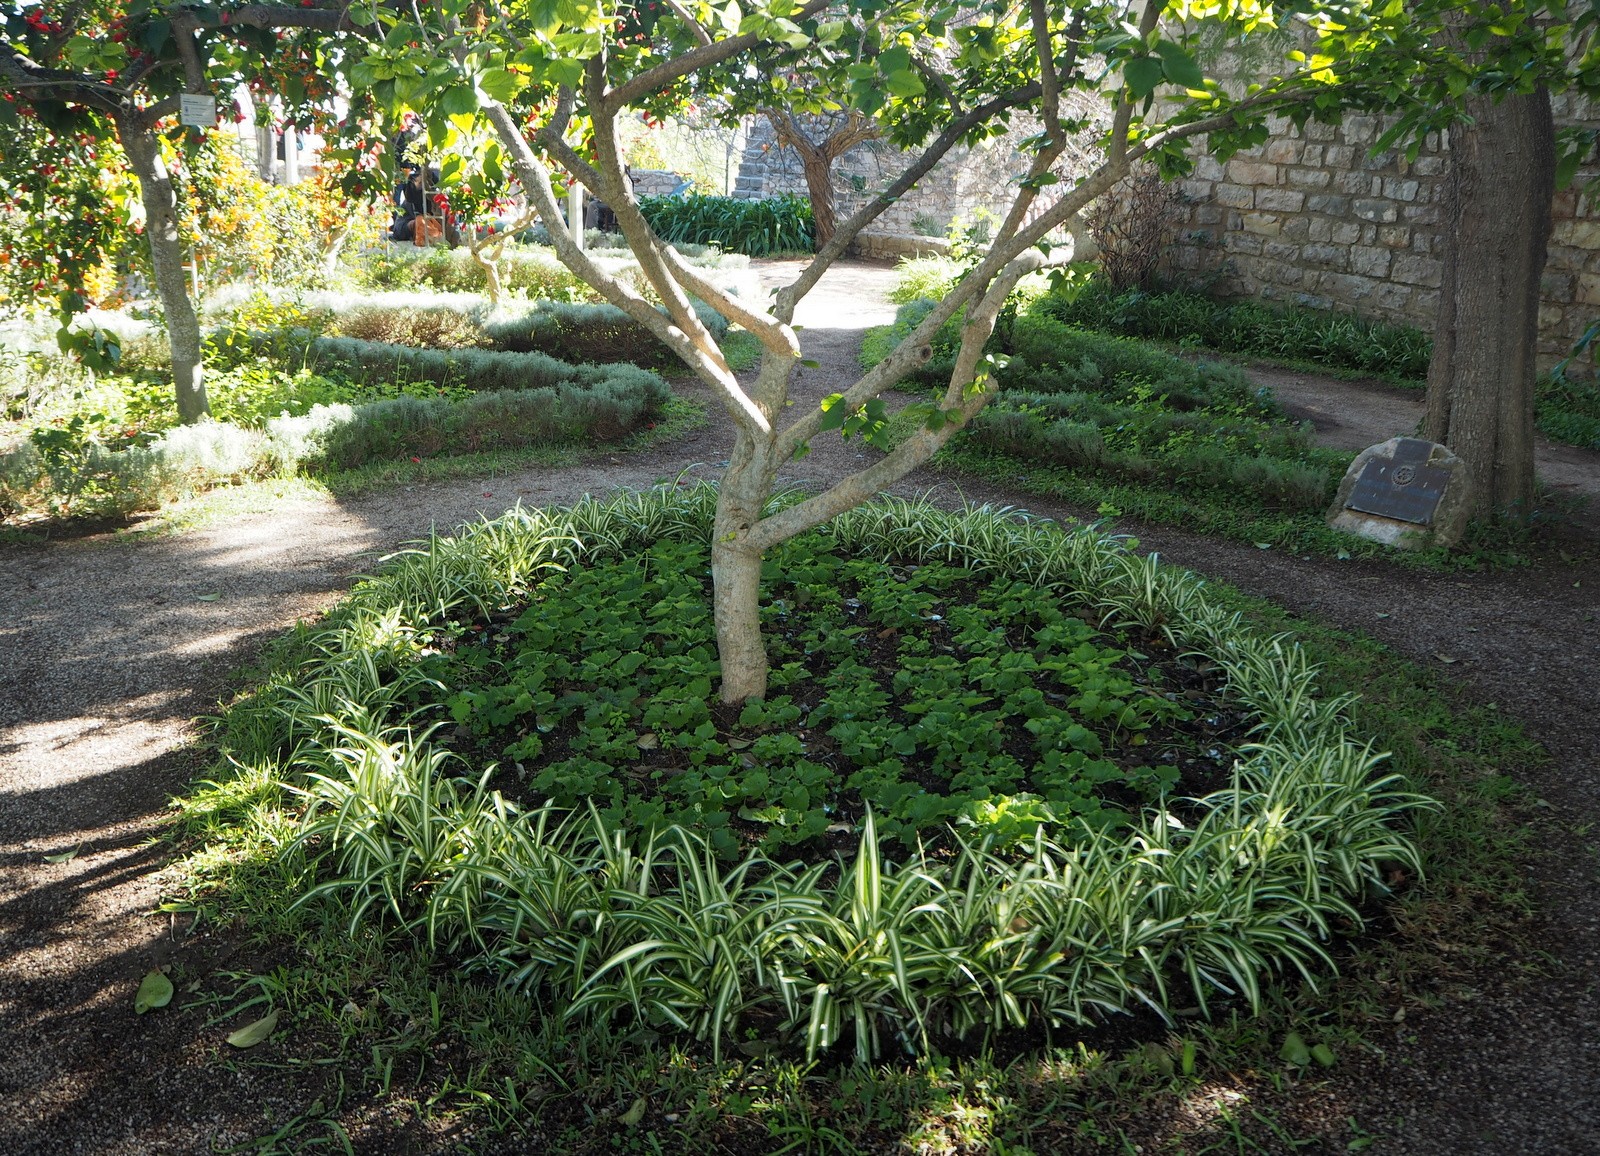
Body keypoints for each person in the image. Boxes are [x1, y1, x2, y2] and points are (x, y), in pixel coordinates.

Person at [390, 166, 429, 242]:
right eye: (420, 183)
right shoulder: (410, 200)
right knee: (420, 220)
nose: (422, 186)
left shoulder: (431, 195)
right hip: (403, 227)